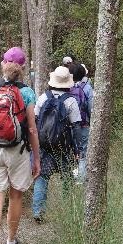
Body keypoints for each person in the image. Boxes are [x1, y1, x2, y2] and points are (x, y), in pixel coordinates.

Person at [0, 47, 41, 244]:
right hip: (17, 150)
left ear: (3, 64)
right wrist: (36, 157)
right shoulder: (27, 93)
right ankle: (11, 241)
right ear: (23, 68)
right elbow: (32, 129)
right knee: (16, 194)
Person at [32, 66, 82, 222]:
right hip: (64, 148)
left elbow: (34, 121)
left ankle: (38, 211)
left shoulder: (43, 98)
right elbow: (76, 127)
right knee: (67, 178)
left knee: (42, 177)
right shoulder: (71, 101)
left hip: (45, 147)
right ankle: (68, 211)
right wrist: (78, 148)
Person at [69, 63, 94, 184]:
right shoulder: (87, 88)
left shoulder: (66, 87)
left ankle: (68, 181)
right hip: (83, 125)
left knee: (69, 154)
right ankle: (80, 181)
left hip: (68, 127)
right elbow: (91, 108)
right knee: (83, 155)